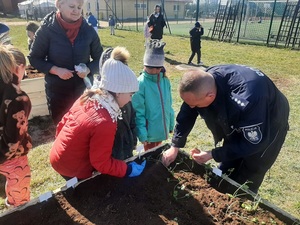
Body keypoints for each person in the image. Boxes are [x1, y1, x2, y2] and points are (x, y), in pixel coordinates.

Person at [162, 65, 289, 193]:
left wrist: (213, 154)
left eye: (195, 104)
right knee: (227, 163)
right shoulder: (200, 83)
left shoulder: (246, 99)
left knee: (251, 170)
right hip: (242, 113)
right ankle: (220, 188)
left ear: (210, 96)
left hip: (269, 122)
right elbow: (187, 113)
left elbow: (254, 143)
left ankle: (243, 197)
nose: (192, 106)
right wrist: (175, 145)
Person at [50, 46, 146, 180]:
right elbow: (101, 163)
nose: (131, 99)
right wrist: (127, 169)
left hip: (58, 154)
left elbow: (63, 123)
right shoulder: (105, 121)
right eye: (130, 94)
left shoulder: (90, 96)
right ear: (118, 92)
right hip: (72, 167)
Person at [28, 0, 103, 125]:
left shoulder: (88, 30)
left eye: (79, 7)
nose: (76, 11)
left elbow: (100, 58)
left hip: (83, 90)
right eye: (72, 6)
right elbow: (34, 58)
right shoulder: (47, 29)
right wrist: (55, 70)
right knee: (62, 127)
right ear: (59, 5)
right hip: (58, 92)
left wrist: (88, 69)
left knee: (83, 128)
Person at [0, 45, 32, 207]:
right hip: (11, 157)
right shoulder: (18, 98)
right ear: (19, 68)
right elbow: (13, 141)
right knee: (19, 186)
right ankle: (17, 210)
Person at [132, 40, 174, 151]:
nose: (154, 71)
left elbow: (169, 104)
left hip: (161, 129)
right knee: (150, 157)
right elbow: (138, 111)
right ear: (145, 65)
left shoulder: (165, 81)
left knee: (158, 153)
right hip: (149, 133)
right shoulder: (140, 83)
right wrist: (142, 133)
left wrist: (170, 123)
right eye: (150, 67)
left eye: (158, 68)